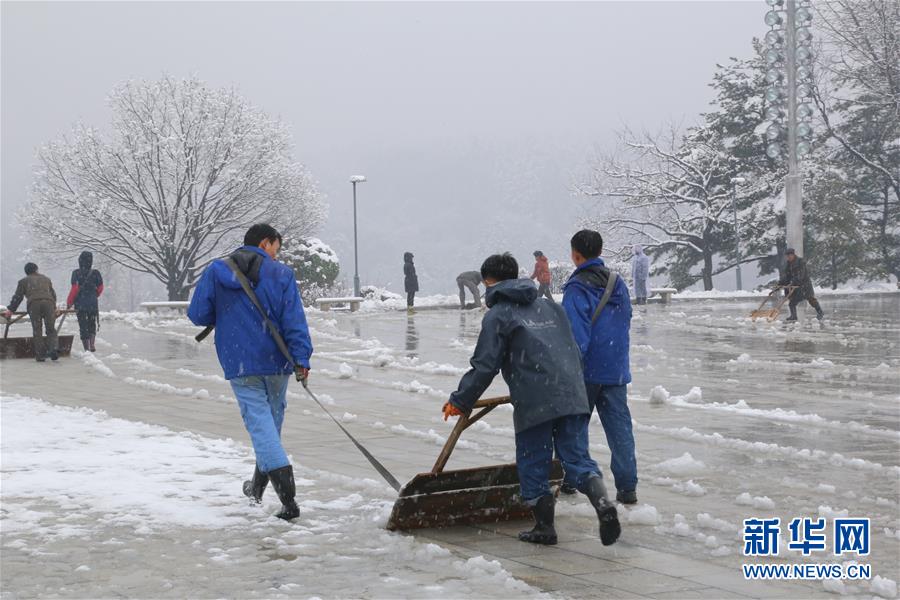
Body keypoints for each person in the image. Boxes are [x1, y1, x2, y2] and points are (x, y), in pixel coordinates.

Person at [443, 253, 620, 547]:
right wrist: (572, 387)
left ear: (489, 281)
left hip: (535, 398)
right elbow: (574, 349)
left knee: (533, 461)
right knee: (577, 459)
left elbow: (485, 365)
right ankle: (603, 503)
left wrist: (460, 400)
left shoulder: (498, 314)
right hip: (572, 392)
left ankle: (545, 528)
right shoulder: (550, 306)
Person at [188, 223, 313, 520]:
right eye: (276, 248)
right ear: (266, 242)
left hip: (240, 361)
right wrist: (301, 359)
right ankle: (258, 488)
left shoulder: (217, 271)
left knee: (262, 427)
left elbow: (197, 315)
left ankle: (288, 502)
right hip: (277, 361)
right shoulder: (281, 274)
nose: (276, 255)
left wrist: (226, 310)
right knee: (269, 425)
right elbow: (294, 320)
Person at [562, 230, 638, 505]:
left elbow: (576, 333)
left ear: (576, 255)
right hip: (615, 367)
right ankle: (627, 486)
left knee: (574, 426)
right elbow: (626, 319)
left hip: (586, 369)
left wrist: (570, 366)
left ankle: (572, 478)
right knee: (619, 428)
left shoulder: (576, 287)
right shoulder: (617, 283)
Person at [3, 263, 59, 362]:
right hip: (49, 303)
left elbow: (18, 297)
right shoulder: (46, 279)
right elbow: (53, 294)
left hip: (34, 304)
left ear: (26, 272)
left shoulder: (23, 281)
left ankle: (40, 355)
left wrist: (11, 309)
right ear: (36, 270)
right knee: (51, 328)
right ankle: (54, 349)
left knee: (37, 330)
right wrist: (54, 307)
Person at [66, 251, 104, 352]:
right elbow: (100, 288)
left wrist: (69, 302)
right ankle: (92, 344)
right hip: (92, 303)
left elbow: (74, 289)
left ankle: (86, 348)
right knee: (92, 323)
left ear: (80, 260)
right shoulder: (96, 273)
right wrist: (94, 295)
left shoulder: (76, 273)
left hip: (80, 303)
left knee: (83, 325)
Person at [779, 248, 824, 322]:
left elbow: (801, 275)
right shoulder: (788, 264)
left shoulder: (800, 262)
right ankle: (793, 316)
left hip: (805, 285)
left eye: (790, 255)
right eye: (787, 256)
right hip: (797, 287)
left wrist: (793, 281)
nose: (789, 257)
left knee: (811, 299)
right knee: (792, 303)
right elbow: (787, 276)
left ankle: (820, 312)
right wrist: (781, 283)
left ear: (793, 255)